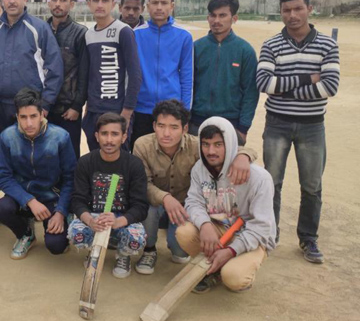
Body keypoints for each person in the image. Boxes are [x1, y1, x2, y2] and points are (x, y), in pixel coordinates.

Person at [256, 0, 340, 263]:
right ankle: (271, 233)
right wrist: (308, 78)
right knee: (272, 182)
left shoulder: (327, 45)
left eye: (298, 9)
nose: (292, 15)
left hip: (312, 126)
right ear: (281, 12)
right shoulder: (271, 45)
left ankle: (308, 238)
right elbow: (264, 84)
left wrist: (285, 89)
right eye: (286, 10)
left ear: (309, 9)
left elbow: (330, 87)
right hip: (277, 123)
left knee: (312, 186)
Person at [132, 100, 256, 275]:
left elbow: (241, 149)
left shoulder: (197, 146)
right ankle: (149, 250)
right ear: (154, 126)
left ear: (185, 129)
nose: (166, 133)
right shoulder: (141, 145)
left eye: (174, 127)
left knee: (180, 252)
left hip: (186, 206)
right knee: (146, 207)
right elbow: (143, 183)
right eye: (161, 126)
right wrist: (165, 198)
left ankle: (175, 243)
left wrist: (243, 156)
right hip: (156, 203)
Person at [178, 117, 276, 293]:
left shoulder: (260, 178)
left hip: (250, 236)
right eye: (206, 144)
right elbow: (193, 202)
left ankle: (232, 267)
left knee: (233, 277)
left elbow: (261, 227)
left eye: (218, 144)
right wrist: (205, 225)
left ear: (230, 144)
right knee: (184, 232)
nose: (211, 151)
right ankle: (213, 272)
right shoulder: (199, 168)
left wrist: (231, 250)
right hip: (219, 229)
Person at [0, 88, 75, 259]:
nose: (29, 123)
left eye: (33, 116)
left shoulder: (60, 137)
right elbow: (3, 176)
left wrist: (61, 212)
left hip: (51, 197)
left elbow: (70, 179)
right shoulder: (7, 137)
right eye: (23, 117)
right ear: (17, 117)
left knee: (56, 246)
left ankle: (65, 218)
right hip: (23, 196)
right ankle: (26, 234)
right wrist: (29, 200)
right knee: (1, 208)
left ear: (42, 115)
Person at [0, 0, 63, 141]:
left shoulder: (39, 29)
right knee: (3, 150)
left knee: (30, 152)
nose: (11, 1)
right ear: (2, 0)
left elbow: (54, 68)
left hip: (30, 109)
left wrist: (45, 104)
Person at [70, 113, 149, 278]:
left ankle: (123, 255)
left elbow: (141, 206)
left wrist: (118, 222)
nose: (109, 140)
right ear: (96, 136)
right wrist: (90, 221)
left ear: (124, 137)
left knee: (136, 238)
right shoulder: (85, 162)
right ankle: (93, 250)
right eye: (104, 134)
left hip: (122, 218)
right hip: (95, 217)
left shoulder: (134, 164)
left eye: (115, 134)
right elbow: (77, 200)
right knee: (76, 232)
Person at [80, 0, 142, 152]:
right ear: (88, 3)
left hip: (117, 110)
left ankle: (115, 179)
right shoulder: (89, 35)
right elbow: (90, 74)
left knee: (117, 160)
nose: (100, 5)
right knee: (96, 158)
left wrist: (127, 112)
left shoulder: (124, 31)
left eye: (105, 0)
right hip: (94, 110)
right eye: (96, 0)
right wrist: (88, 108)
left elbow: (135, 75)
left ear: (113, 4)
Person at [190, 0, 259, 145]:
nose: (216, 20)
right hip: (196, 123)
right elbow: (189, 85)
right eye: (213, 15)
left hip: (231, 124)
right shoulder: (196, 47)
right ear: (208, 18)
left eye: (222, 15)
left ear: (234, 18)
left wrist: (243, 128)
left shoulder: (245, 50)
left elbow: (251, 91)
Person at [132, 0, 193, 150]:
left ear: (172, 6)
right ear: (147, 6)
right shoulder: (135, 34)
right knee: (140, 153)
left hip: (172, 110)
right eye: (155, 3)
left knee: (170, 155)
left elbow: (187, 76)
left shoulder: (184, 36)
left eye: (164, 3)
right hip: (141, 109)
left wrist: (185, 111)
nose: (159, 7)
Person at [46, 0, 87, 159]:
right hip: (44, 108)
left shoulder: (80, 33)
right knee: (47, 157)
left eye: (63, 0)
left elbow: (84, 73)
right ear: (49, 3)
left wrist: (77, 106)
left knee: (70, 157)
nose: (58, 4)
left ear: (71, 4)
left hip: (68, 109)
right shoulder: (41, 30)